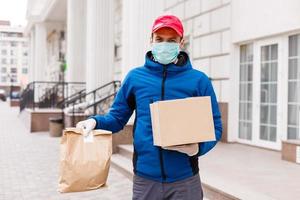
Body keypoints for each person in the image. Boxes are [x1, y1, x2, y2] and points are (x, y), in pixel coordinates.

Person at [76, 15, 222, 200]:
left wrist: (198, 148)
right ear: (151, 40)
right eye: (159, 39)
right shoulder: (135, 78)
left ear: (181, 42)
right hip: (146, 179)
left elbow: (215, 126)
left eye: (171, 40)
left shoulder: (198, 80)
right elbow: (117, 118)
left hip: (185, 179)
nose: (164, 45)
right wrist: (94, 121)